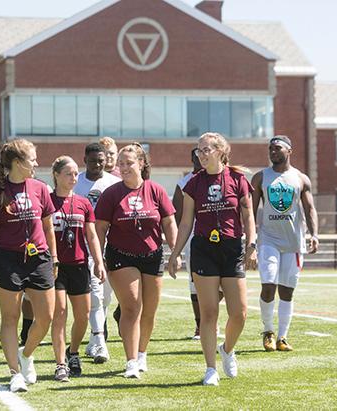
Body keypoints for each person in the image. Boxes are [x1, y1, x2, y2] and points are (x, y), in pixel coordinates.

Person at [168, 132, 257, 386]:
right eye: (199, 150)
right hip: (204, 249)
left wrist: (252, 244)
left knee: (239, 313)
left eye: (206, 149)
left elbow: (249, 216)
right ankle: (210, 369)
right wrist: (174, 254)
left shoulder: (238, 179)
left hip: (231, 249)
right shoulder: (193, 183)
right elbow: (185, 223)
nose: (201, 154)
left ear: (220, 151)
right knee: (209, 313)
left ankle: (227, 349)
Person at [0, 138, 58, 393]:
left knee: (46, 317)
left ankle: (26, 353)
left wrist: (54, 257)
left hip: (39, 258)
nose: (36, 163)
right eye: (32, 158)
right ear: (16, 162)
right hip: (7, 260)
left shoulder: (41, 188)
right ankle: (14, 373)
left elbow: (48, 227)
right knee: (10, 318)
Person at [95, 143, 179, 378]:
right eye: (120, 164)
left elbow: (169, 222)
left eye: (128, 163)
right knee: (132, 307)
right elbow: (100, 228)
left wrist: (175, 251)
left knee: (149, 311)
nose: (123, 167)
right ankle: (131, 361)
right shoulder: (111, 194)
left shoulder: (156, 190)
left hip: (152, 256)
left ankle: (142, 354)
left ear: (141, 164)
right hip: (121, 255)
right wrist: (99, 259)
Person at [251, 135, 319, 352]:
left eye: (277, 148)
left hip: (293, 243)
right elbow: (250, 212)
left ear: (289, 150)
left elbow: (309, 209)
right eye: (270, 148)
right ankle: (268, 331)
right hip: (268, 240)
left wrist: (314, 234)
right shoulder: (260, 178)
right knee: (268, 285)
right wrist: (250, 240)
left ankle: (282, 337)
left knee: (287, 291)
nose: (272, 151)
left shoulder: (301, 178)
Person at [50, 156, 106, 381]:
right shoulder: (48, 201)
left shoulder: (83, 203)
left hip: (80, 265)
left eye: (75, 174)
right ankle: (60, 364)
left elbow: (91, 235)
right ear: (56, 175)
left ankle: (72, 352)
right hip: (55, 267)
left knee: (82, 316)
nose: (74, 178)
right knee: (60, 314)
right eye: (68, 174)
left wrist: (99, 262)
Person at [74, 143, 120, 363]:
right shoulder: (76, 182)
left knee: (105, 297)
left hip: (110, 247)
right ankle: (99, 341)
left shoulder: (114, 183)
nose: (98, 164)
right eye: (93, 161)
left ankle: (94, 341)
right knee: (95, 296)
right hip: (83, 247)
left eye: (101, 160)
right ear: (85, 160)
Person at [172, 147, 224, 340]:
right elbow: (179, 216)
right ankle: (200, 324)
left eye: (204, 154)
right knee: (195, 284)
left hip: (221, 238)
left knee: (222, 283)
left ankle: (210, 319)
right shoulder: (184, 183)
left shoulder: (222, 177)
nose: (200, 159)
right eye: (196, 156)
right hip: (194, 239)